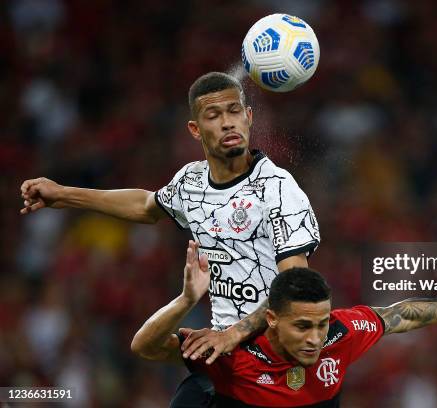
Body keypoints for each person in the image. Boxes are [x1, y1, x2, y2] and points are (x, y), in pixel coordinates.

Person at [19, 72, 320, 406]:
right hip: (223, 361)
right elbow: (147, 206)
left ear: (249, 117)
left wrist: (233, 333)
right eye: (213, 115)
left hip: (276, 364)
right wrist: (62, 194)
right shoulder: (191, 182)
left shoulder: (278, 188)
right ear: (195, 129)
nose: (227, 123)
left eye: (234, 111)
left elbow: (296, 287)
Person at [132, 240, 437, 407]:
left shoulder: (339, 333)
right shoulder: (231, 353)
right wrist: (186, 300)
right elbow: (144, 347)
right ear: (272, 320)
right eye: (302, 327)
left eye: (320, 323)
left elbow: (400, 315)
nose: (316, 338)